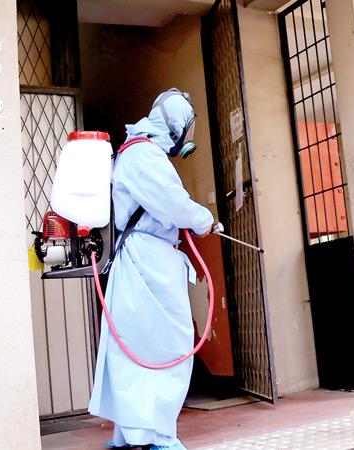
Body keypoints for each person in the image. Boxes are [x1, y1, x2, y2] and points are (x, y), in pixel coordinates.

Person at [88, 88, 214, 450]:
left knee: (141, 345)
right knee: (160, 347)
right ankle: (153, 435)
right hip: (148, 263)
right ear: (174, 128)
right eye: (186, 131)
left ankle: (134, 433)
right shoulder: (143, 157)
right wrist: (203, 219)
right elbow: (173, 204)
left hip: (148, 259)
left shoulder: (142, 153)